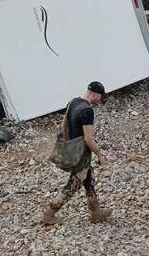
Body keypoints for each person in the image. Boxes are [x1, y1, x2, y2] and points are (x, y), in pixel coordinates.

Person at [42, 82, 111, 225]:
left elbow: (63, 126)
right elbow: (88, 138)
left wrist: (69, 144)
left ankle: (95, 212)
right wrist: (99, 154)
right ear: (96, 94)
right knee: (73, 185)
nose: (99, 100)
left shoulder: (73, 102)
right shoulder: (87, 111)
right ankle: (49, 214)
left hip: (75, 149)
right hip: (81, 155)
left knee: (89, 180)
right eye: (100, 97)